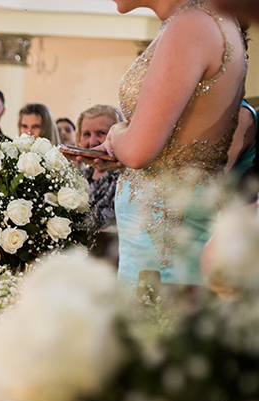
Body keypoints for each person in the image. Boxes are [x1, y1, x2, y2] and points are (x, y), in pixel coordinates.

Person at [101, 0, 245, 287]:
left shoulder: (191, 25)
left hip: (163, 237)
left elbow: (138, 152)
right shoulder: (205, 20)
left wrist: (116, 132)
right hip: (168, 225)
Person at [75, 104, 126, 261]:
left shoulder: (125, 178)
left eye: (101, 133)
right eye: (86, 134)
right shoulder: (77, 178)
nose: (92, 141)